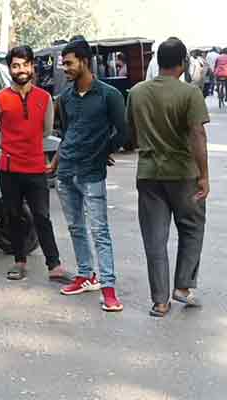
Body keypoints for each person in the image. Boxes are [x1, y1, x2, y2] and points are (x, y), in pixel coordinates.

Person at [126, 38, 210, 317]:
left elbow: (132, 132)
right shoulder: (190, 93)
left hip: (149, 174)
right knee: (192, 228)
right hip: (184, 174)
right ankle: (183, 287)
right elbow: (198, 135)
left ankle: (160, 302)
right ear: (183, 62)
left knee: (154, 238)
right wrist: (204, 176)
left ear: (158, 61)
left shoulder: (137, 92)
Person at [51, 39, 129, 312]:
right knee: (75, 227)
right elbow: (67, 133)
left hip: (91, 173)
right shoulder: (65, 98)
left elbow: (124, 132)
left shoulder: (109, 95)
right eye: (64, 64)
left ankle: (108, 289)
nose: (65, 69)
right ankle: (86, 275)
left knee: (99, 231)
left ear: (84, 61)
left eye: (69, 63)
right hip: (66, 172)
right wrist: (55, 164)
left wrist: (104, 150)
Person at [0, 45, 72, 282]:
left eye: (25, 65)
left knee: (42, 216)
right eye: (15, 66)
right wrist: (8, 144)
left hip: (35, 168)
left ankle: (54, 265)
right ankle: (19, 262)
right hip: (9, 169)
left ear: (32, 66)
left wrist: (26, 144)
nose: (20, 70)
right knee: (13, 216)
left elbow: (46, 131)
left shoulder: (45, 98)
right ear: (9, 69)